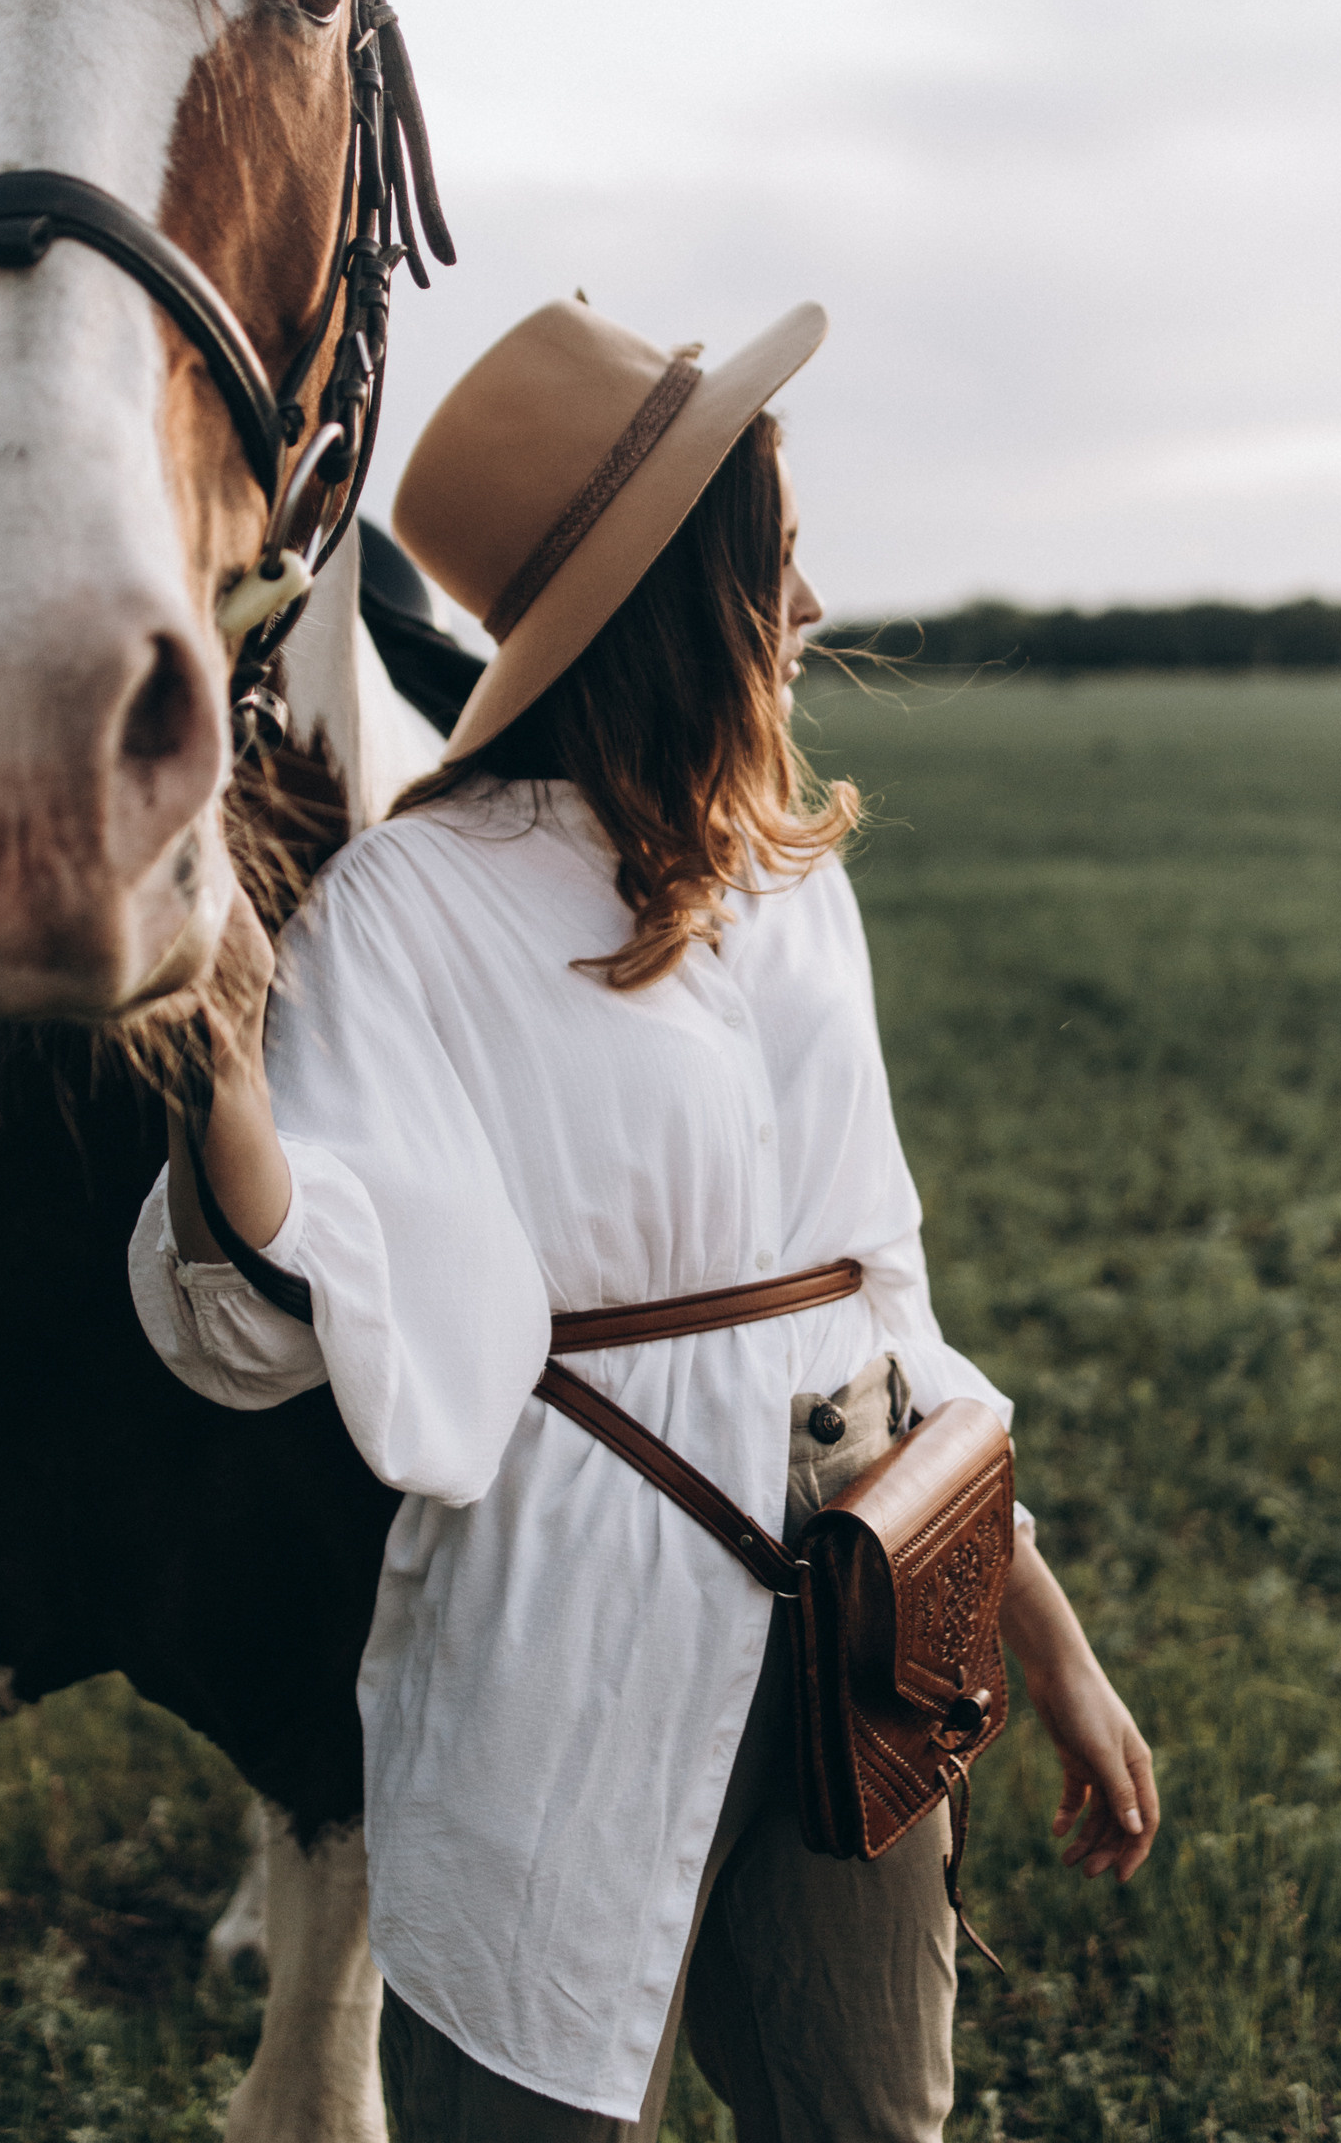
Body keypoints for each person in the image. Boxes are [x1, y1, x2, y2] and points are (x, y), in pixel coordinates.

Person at [129, 296, 1159, 2142]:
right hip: (566, 1663)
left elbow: (890, 1313)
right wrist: (224, 1082)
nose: (816, 604)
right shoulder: (409, 912)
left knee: (873, 2121)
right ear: (686, 583)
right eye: (781, 553)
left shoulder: (791, 884)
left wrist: (1049, 1646)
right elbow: (299, 1291)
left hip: (867, 1635)